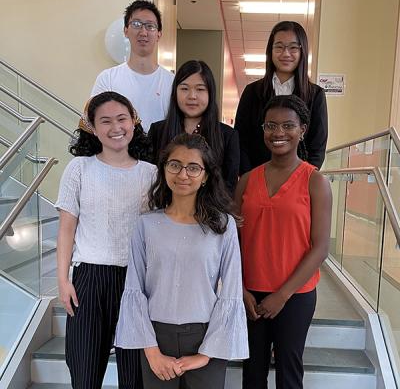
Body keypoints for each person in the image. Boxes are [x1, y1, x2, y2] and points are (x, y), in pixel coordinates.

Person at [114, 133, 248, 389]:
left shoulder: (223, 225)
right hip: (155, 337)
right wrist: (152, 351)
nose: (183, 174)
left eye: (193, 167)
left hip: (207, 336)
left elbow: (231, 291)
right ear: (164, 169)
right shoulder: (146, 225)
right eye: (174, 165)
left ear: (206, 175)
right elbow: (134, 289)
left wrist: (205, 354)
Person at [56, 91, 156, 389]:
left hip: (137, 280)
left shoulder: (151, 174)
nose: (116, 128)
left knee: (134, 376)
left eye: (122, 119)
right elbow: (66, 229)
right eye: (106, 121)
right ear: (92, 127)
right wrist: (63, 281)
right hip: (89, 277)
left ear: (134, 122)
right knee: (85, 372)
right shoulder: (79, 169)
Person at [235, 95, 332, 389]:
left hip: (295, 295)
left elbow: (320, 248)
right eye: (271, 125)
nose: (279, 133)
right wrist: (240, 289)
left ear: (302, 129)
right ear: (262, 130)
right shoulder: (246, 181)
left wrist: (282, 295)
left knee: (289, 374)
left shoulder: (315, 181)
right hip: (250, 294)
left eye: (288, 125)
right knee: (252, 374)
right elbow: (231, 243)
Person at [235, 21, 328, 175]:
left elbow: (317, 146)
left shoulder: (315, 95)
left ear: (302, 50)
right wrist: (250, 177)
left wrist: (302, 179)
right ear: (270, 51)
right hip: (257, 179)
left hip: (298, 183)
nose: (285, 54)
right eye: (279, 47)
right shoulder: (252, 92)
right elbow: (241, 141)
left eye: (293, 47)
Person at [148, 60, 239, 194]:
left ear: (210, 93)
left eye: (200, 89)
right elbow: (151, 180)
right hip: (165, 210)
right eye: (184, 89)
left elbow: (229, 187)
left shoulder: (228, 136)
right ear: (175, 93)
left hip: (210, 212)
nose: (192, 96)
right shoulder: (158, 131)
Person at [91, 0, 174, 132]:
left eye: (150, 26)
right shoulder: (107, 79)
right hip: (118, 151)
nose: (143, 32)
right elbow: (96, 122)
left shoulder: (172, 82)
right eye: (136, 24)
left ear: (159, 34)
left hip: (161, 151)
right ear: (125, 30)